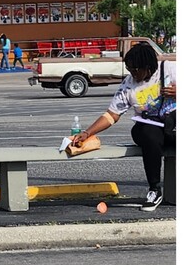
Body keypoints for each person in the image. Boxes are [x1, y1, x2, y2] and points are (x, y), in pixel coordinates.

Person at [70, 41, 175, 210]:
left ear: (148, 67)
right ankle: (155, 189)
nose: (132, 73)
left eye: (135, 69)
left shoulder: (169, 70)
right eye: (129, 69)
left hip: (174, 125)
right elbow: (112, 114)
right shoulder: (128, 84)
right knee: (149, 134)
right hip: (149, 128)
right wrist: (87, 132)